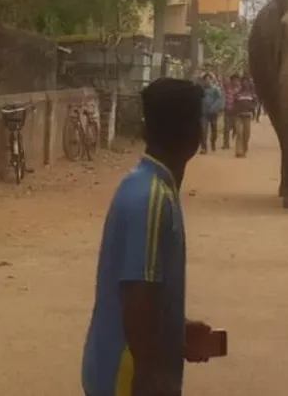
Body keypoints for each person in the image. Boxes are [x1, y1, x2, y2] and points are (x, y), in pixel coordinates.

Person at [81, 78, 218, 396]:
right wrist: (154, 379)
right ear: (193, 133)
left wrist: (177, 332)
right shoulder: (153, 199)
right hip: (128, 377)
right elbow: (137, 297)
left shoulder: (142, 184)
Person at [232, 78, 258, 158]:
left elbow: (255, 103)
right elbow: (234, 104)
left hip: (247, 116)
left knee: (247, 134)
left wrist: (251, 110)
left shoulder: (252, 94)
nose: (245, 84)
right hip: (238, 116)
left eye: (246, 82)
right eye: (243, 82)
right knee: (239, 133)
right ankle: (238, 151)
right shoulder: (238, 93)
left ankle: (244, 149)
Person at [199, 73, 223, 154]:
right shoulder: (201, 89)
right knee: (203, 130)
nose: (207, 81)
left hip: (213, 113)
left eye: (209, 79)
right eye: (205, 79)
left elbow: (219, 99)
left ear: (212, 80)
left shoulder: (216, 89)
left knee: (214, 131)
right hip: (204, 113)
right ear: (203, 80)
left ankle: (213, 142)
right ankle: (204, 148)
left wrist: (214, 107)